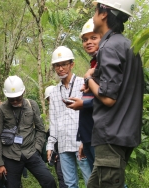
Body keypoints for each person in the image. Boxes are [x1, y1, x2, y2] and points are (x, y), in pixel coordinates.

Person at [83, 0, 144, 187]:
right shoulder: (128, 45)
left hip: (111, 133)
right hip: (124, 132)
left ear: (104, 13)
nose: (93, 16)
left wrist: (88, 79)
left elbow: (108, 98)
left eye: (95, 10)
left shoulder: (108, 47)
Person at [0, 75, 56, 188]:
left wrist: (37, 148)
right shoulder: (1, 110)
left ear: (23, 92)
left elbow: (40, 129)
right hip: (10, 156)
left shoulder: (32, 105)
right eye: (12, 99)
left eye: (18, 98)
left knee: (49, 181)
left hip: (31, 152)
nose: (15, 101)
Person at [46, 46, 91, 188]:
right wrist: (50, 145)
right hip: (64, 144)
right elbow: (53, 121)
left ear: (72, 64)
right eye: (57, 65)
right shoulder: (53, 93)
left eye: (64, 64)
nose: (60, 68)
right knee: (70, 184)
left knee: (90, 180)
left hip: (80, 143)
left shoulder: (83, 84)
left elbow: (90, 114)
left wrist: (86, 140)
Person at [66, 18, 101, 171]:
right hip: (88, 134)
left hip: (99, 135)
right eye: (85, 39)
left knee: (110, 179)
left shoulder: (104, 65)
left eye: (93, 38)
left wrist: (83, 104)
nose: (88, 42)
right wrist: (83, 139)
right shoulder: (94, 64)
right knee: (100, 179)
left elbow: (110, 98)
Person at [45, 86, 67, 188]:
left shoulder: (66, 111)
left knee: (65, 177)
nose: (50, 102)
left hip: (65, 150)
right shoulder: (53, 112)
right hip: (57, 152)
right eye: (49, 100)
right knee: (61, 176)